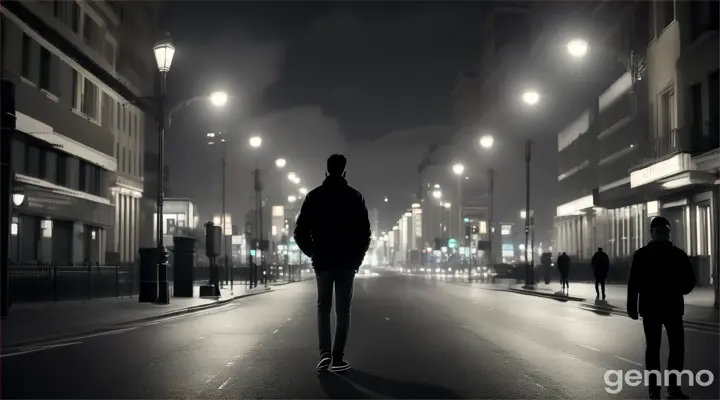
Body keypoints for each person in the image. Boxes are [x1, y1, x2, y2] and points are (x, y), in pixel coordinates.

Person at [294, 154, 371, 373]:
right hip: (347, 263)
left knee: (323, 307)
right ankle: (338, 358)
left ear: (326, 172)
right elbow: (365, 234)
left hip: (323, 261)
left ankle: (324, 354)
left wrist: (313, 253)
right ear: (344, 172)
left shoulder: (313, 196)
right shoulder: (355, 197)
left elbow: (299, 233)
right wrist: (357, 259)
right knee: (343, 310)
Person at [627, 216, 695, 400]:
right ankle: (673, 389)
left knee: (653, 349)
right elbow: (689, 282)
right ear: (668, 232)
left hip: (650, 308)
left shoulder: (641, 255)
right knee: (676, 348)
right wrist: (679, 289)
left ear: (652, 233)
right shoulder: (678, 254)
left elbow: (633, 283)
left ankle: (654, 390)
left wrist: (632, 307)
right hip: (672, 308)